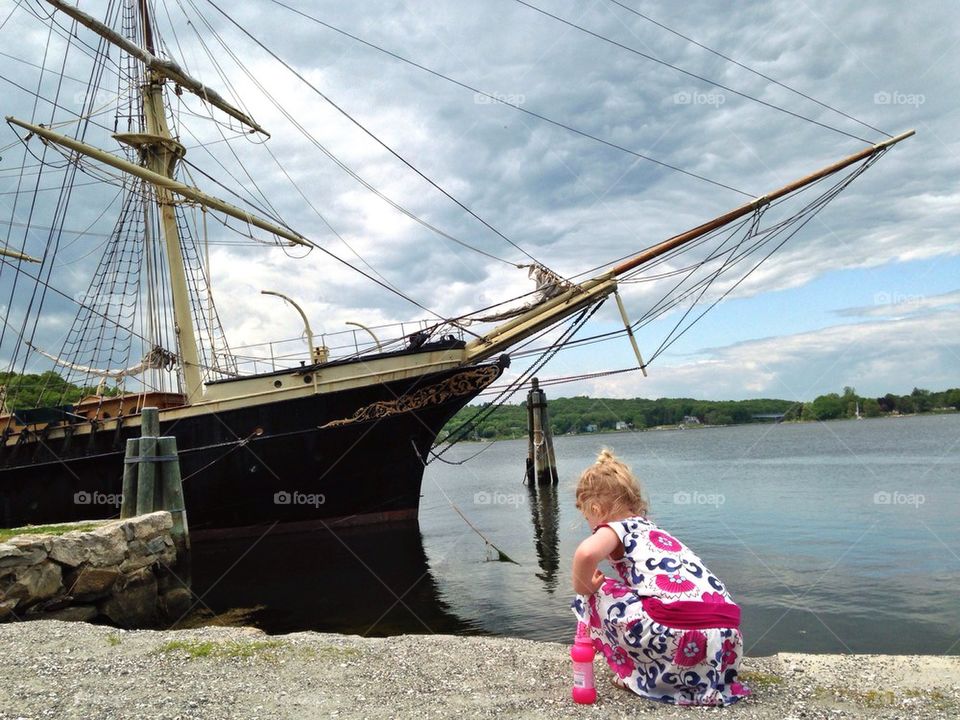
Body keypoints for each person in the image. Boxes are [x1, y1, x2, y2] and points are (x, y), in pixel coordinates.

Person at [570, 448, 751, 706]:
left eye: (586, 516)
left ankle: (639, 675)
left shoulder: (614, 528)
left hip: (680, 632)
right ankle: (690, 680)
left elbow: (586, 554)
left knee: (594, 592)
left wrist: (582, 586)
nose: (589, 523)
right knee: (645, 597)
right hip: (726, 637)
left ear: (596, 509)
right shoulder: (652, 530)